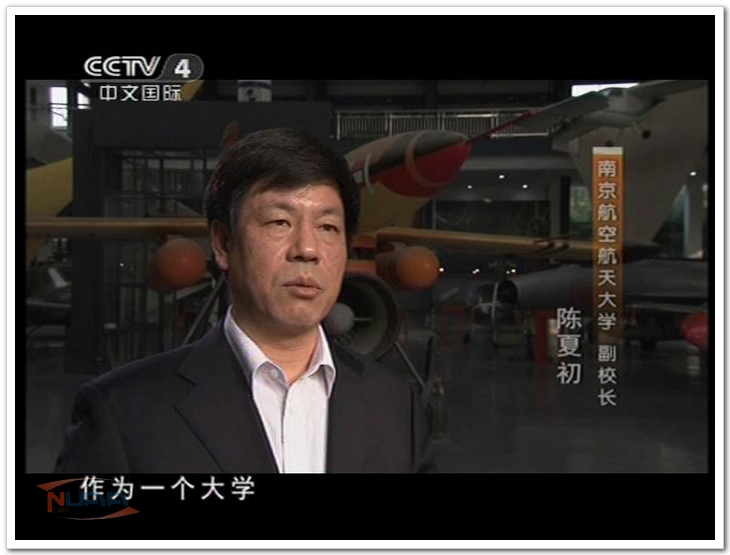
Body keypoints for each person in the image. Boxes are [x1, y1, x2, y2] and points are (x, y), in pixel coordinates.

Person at [54, 127, 435, 474]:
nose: (307, 249)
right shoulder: (122, 411)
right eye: (279, 222)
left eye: (327, 227)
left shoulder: (396, 404)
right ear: (223, 244)